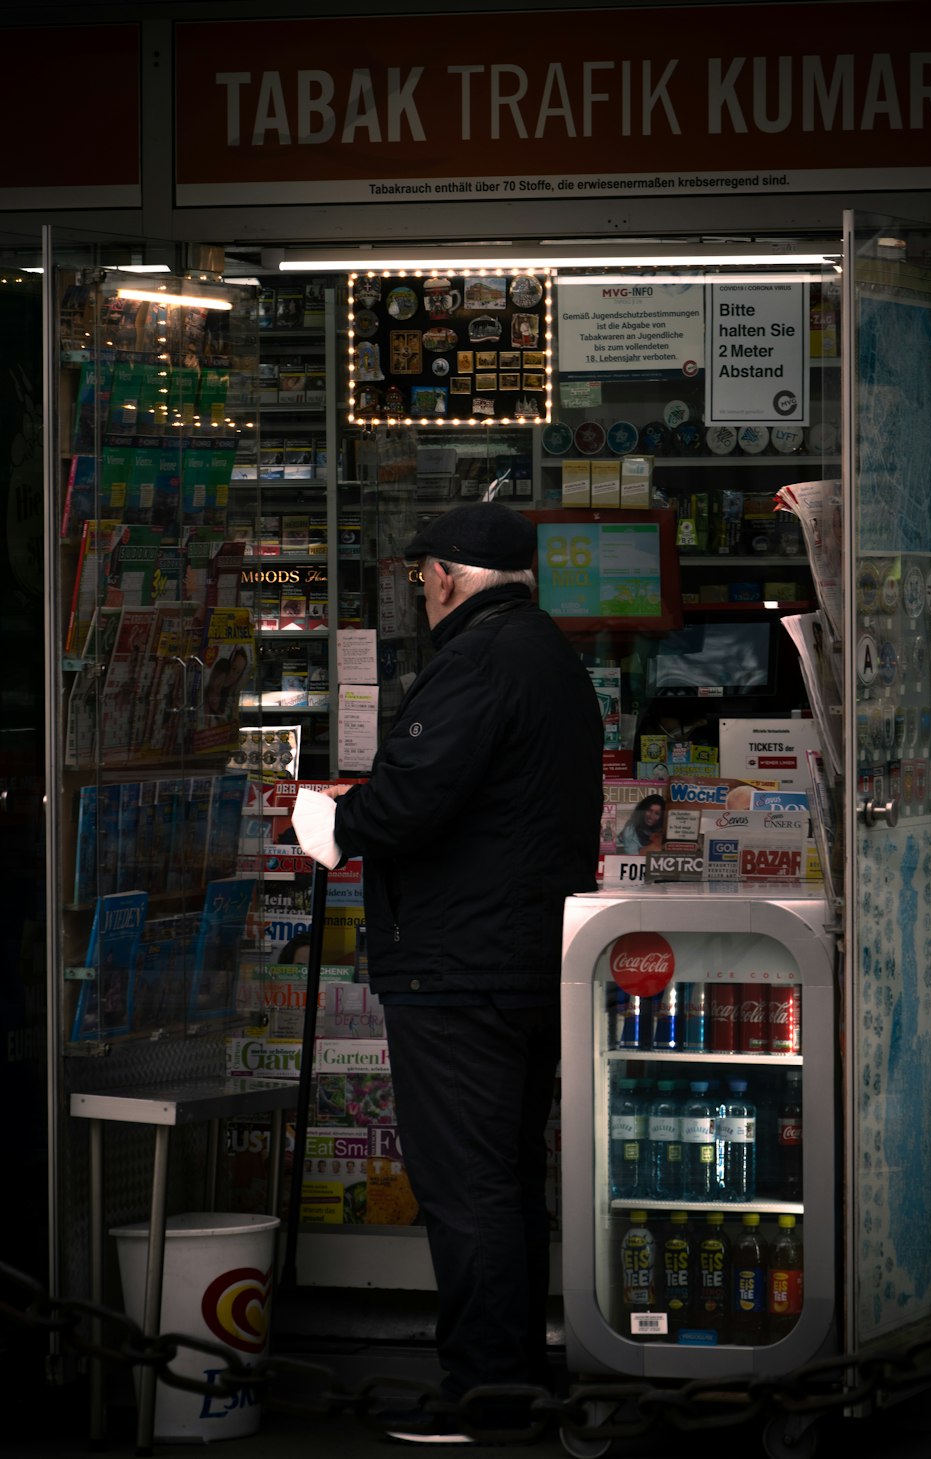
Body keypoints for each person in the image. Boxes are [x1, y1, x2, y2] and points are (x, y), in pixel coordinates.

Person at [321, 501, 604, 1443]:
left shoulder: (476, 660)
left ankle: (484, 1391)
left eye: (419, 576)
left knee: (468, 1186)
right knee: (509, 1179)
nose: (418, 590)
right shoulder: (550, 654)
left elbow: (409, 801)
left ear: (444, 576)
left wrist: (334, 827)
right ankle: (515, 1374)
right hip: (523, 961)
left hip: (459, 970)